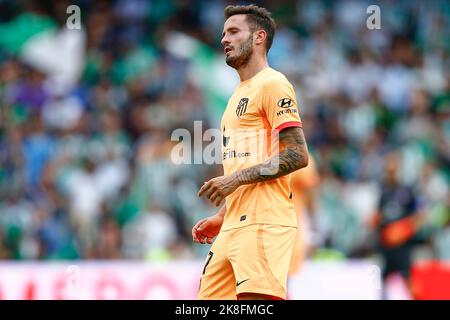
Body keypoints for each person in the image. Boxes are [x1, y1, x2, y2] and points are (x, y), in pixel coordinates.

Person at [192, 5, 309, 300]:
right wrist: (223, 213)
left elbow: (298, 155)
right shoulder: (236, 96)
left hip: (264, 222)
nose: (224, 40)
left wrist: (234, 181)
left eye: (233, 32)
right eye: (223, 34)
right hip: (233, 224)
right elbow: (246, 164)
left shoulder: (273, 83)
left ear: (258, 37)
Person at [288, 155, 320, 277]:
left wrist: (315, 228)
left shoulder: (301, 156)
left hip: (291, 227)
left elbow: (311, 196)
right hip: (281, 225)